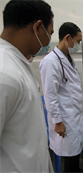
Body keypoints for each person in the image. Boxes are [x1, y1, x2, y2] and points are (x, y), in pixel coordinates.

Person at [0, 0, 54, 172]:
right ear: (37, 28)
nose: (49, 40)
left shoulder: (19, 63)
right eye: (50, 33)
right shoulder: (4, 73)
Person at [40, 22, 83, 173]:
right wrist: (58, 121)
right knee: (69, 152)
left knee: (74, 150)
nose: (79, 45)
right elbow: (50, 95)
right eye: (78, 41)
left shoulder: (67, 58)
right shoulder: (50, 62)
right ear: (68, 38)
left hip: (73, 115)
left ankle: (77, 170)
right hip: (64, 117)